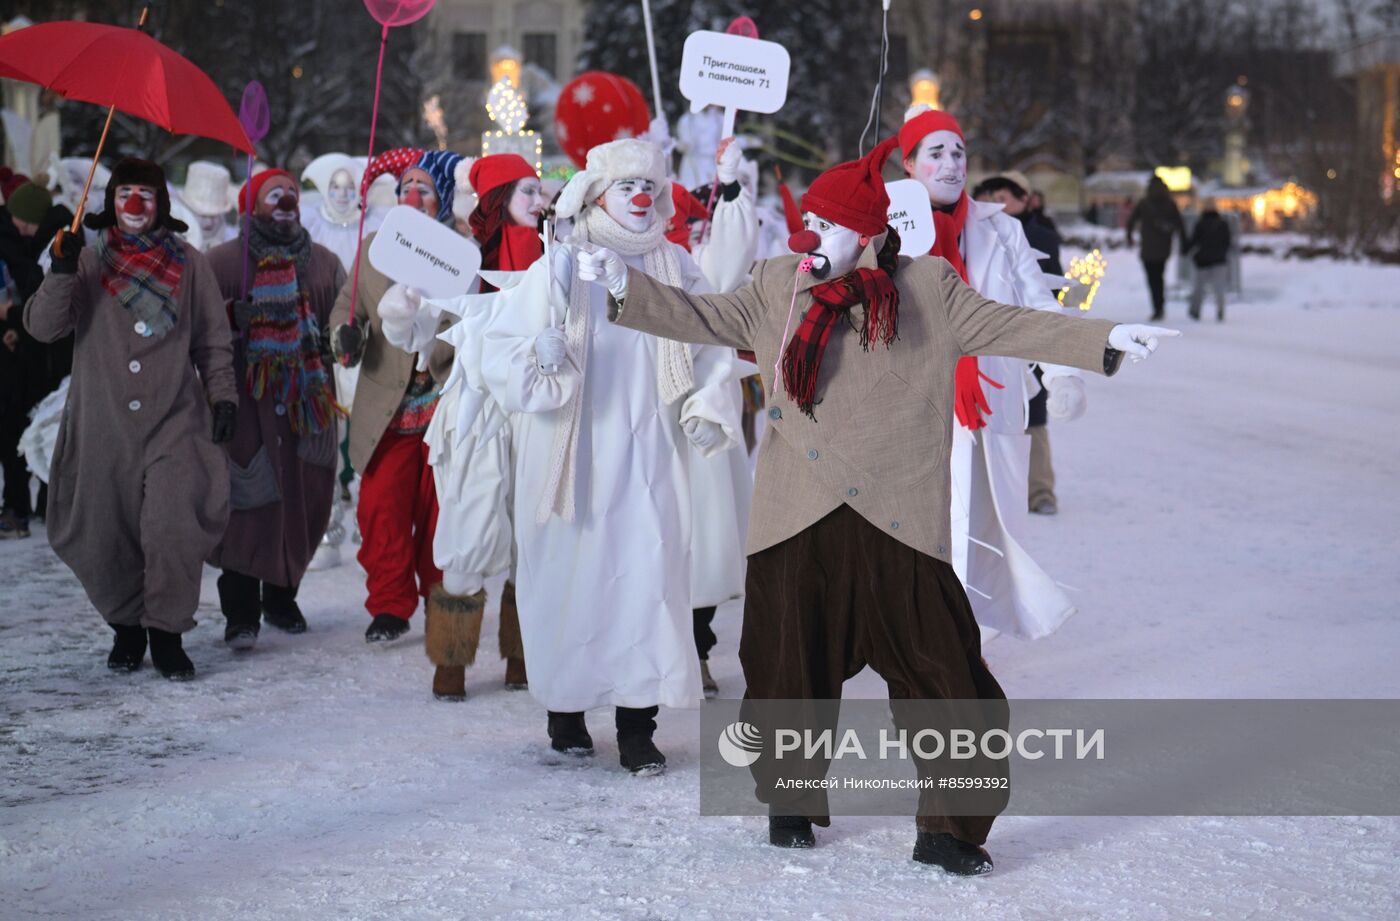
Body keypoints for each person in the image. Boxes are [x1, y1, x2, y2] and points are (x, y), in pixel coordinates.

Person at [578, 134, 1177, 874]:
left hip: (900, 517)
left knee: (950, 685)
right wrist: (624, 285)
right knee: (785, 675)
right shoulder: (777, 283)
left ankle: (950, 830)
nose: (809, 239)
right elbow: (702, 318)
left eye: (827, 227)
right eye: (808, 224)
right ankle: (790, 803)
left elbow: (1012, 323)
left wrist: (1103, 337)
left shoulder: (930, 288)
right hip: (797, 514)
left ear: (867, 235)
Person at [478, 138, 741, 772]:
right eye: (626, 186)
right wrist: (536, 353)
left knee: (648, 581)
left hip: (650, 454)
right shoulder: (560, 264)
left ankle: (636, 726)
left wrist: (707, 402)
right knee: (570, 582)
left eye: (648, 185)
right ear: (597, 196)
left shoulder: (677, 265)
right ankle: (566, 712)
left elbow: (712, 339)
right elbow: (500, 346)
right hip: (571, 452)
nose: (640, 196)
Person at [24, 157, 238, 680]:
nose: (135, 204)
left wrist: (223, 397)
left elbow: (213, 341)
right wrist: (60, 273)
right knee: (105, 531)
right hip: (103, 424)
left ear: (161, 203)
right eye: (125, 194)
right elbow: (43, 328)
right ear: (111, 203)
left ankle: (166, 632)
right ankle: (125, 626)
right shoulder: (86, 261)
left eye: (146, 194)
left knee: (171, 526)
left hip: (175, 421)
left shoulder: (191, 264)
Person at [900, 108, 1087, 641]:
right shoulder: (888, 227)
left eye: (959, 152)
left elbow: (1036, 305)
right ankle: (920, 643)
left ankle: (964, 644)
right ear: (909, 164)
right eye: (936, 153)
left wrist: (1060, 372)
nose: (951, 164)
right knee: (917, 532)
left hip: (987, 405)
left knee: (981, 532)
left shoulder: (1001, 229)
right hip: (914, 405)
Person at [378, 152, 546, 700]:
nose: (538, 201)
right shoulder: (460, 260)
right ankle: (450, 657)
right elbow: (417, 335)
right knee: (469, 528)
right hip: (478, 414)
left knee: (534, 534)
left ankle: (523, 654)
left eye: (539, 190)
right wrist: (405, 307)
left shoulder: (557, 255)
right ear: (500, 198)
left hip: (541, 410)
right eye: (526, 191)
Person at [203, 169, 346, 647]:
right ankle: (241, 611)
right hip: (248, 408)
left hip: (307, 408)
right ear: (250, 206)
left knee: (304, 501)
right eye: (272, 194)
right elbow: (195, 328)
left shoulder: (324, 264)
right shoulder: (220, 263)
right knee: (247, 505)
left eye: (290, 192)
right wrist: (228, 316)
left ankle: (282, 598)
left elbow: (346, 323)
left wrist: (340, 341)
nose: (285, 200)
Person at [330, 148, 462, 643]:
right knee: (380, 509)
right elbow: (348, 308)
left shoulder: (462, 254)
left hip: (444, 409)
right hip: (388, 411)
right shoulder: (374, 248)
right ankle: (389, 605)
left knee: (441, 516)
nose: (412, 196)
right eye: (406, 187)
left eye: (424, 188)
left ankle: (441, 599)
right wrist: (344, 336)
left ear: (441, 198)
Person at [972, 172, 1067, 516]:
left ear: (1024, 199)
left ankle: (1040, 490)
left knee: (1033, 413)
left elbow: (1052, 286)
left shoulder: (1041, 236)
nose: (996, 204)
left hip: (1030, 333)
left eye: (1003, 197)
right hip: (987, 334)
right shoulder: (978, 233)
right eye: (990, 197)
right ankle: (993, 491)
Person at [1, 180, 74, 538]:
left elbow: (46, 301)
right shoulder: (46, 239)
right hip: (41, 352)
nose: (13, 226)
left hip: (48, 356)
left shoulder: (57, 244)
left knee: (38, 427)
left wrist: (13, 317)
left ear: (30, 218)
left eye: (17, 218)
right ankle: (44, 505)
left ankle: (32, 507)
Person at [1127, 176, 1187, 321]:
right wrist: (1184, 243)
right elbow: (1180, 224)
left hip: (1147, 248)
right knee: (1159, 276)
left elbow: (1131, 221)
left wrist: (1129, 237)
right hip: (1163, 248)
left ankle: (1157, 307)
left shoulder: (1144, 203)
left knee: (1152, 278)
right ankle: (1160, 306)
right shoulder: (1170, 203)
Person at [1185, 203, 1232, 322]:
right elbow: (1227, 242)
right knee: (1219, 288)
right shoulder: (1223, 224)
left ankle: (1195, 310)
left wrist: (1185, 250)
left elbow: (1193, 241)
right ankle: (1220, 310)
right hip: (1219, 260)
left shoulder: (1200, 224)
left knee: (1199, 288)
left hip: (1202, 261)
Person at [178, 161, 238, 253]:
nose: (209, 223)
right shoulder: (170, 243)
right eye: (202, 215)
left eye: (214, 216)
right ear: (186, 209)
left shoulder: (233, 242)